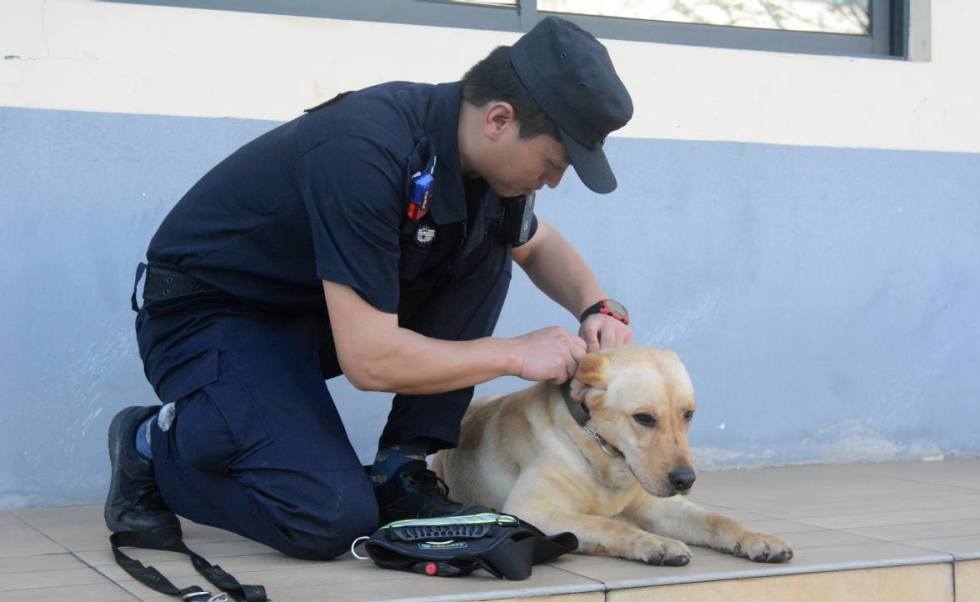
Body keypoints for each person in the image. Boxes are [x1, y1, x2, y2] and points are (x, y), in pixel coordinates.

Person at [105, 16, 635, 560]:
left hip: (311, 317)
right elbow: (370, 363)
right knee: (327, 517)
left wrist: (598, 307)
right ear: (499, 119)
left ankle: (399, 473)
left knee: (490, 248)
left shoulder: (479, 167)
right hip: (208, 319)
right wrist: (515, 355)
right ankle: (149, 444)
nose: (553, 181)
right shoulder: (365, 151)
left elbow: (536, 243)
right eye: (554, 162)